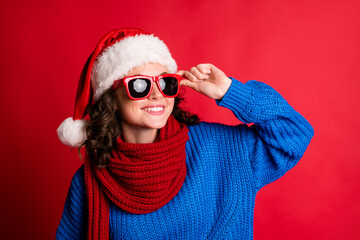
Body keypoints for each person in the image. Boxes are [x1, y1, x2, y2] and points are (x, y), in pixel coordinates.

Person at [56, 28, 314, 240]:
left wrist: (231, 92)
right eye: (140, 85)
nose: (157, 95)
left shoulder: (220, 148)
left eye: (165, 82)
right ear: (110, 99)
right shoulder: (90, 180)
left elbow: (295, 135)